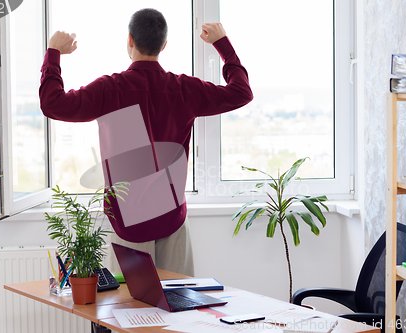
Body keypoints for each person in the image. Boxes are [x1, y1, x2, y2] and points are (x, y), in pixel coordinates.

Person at [39, 8, 252, 277]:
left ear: (130, 40)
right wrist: (222, 45)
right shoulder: (185, 89)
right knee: (179, 308)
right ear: (164, 45)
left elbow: (52, 103)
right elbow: (241, 92)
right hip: (172, 220)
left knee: (131, 314)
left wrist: (53, 53)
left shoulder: (109, 89)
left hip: (129, 225)